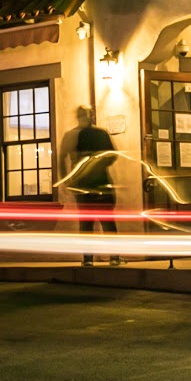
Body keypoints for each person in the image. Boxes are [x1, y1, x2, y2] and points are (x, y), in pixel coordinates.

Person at [64, 108, 118, 265]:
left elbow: (63, 157)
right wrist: (100, 163)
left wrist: (68, 179)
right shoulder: (101, 134)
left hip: (84, 185)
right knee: (107, 222)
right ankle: (113, 256)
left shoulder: (73, 135)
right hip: (101, 184)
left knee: (87, 223)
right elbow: (113, 155)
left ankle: (88, 258)